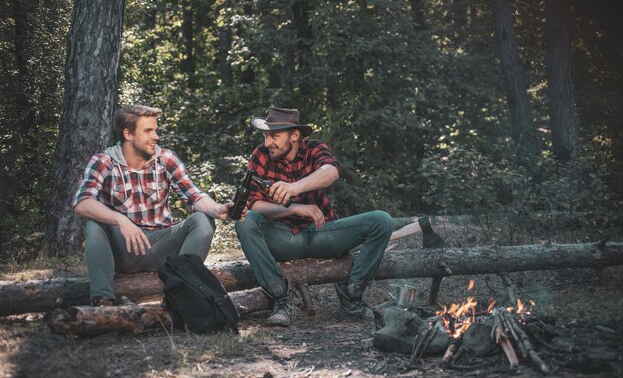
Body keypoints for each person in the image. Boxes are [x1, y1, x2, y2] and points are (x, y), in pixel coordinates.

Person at [235, 107, 394, 327]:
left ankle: (352, 298)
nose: (268, 141)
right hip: (283, 238)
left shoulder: (315, 148)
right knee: (245, 219)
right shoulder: (261, 155)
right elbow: (253, 204)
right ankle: (280, 298)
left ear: (295, 135)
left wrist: (294, 188)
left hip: (322, 233)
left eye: (274, 136)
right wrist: (293, 208)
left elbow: (331, 171)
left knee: (382, 220)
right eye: (266, 135)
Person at [73, 105, 234, 306]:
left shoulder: (166, 159)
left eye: (156, 130)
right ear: (128, 134)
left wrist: (218, 210)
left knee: (202, 220)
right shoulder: (104, 162)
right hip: (126, 250)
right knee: (93, 223)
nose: (156, 136)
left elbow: (194, 195)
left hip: (162, 247)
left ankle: (181, 294)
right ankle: (103, 301)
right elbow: (82, 202)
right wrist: (120, 220)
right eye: (148, 131)